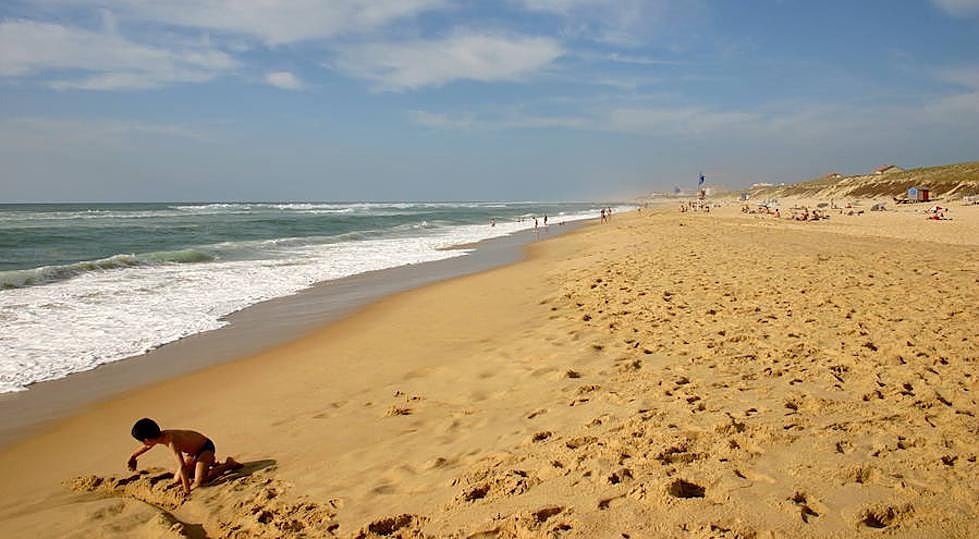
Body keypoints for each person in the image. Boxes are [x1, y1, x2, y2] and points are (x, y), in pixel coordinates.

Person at [127, 418, 241, 493]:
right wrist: (133, 457)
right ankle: (207, 464)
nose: (143, 444)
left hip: (206, 448)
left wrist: (187, 491)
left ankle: (228, 464)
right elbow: (147, 447)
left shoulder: (171, 441)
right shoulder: (159, 437)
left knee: (199, 482)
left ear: (147, 439)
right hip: (193, 454)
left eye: (142, 441)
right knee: (177, 480)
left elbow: (182, 466)